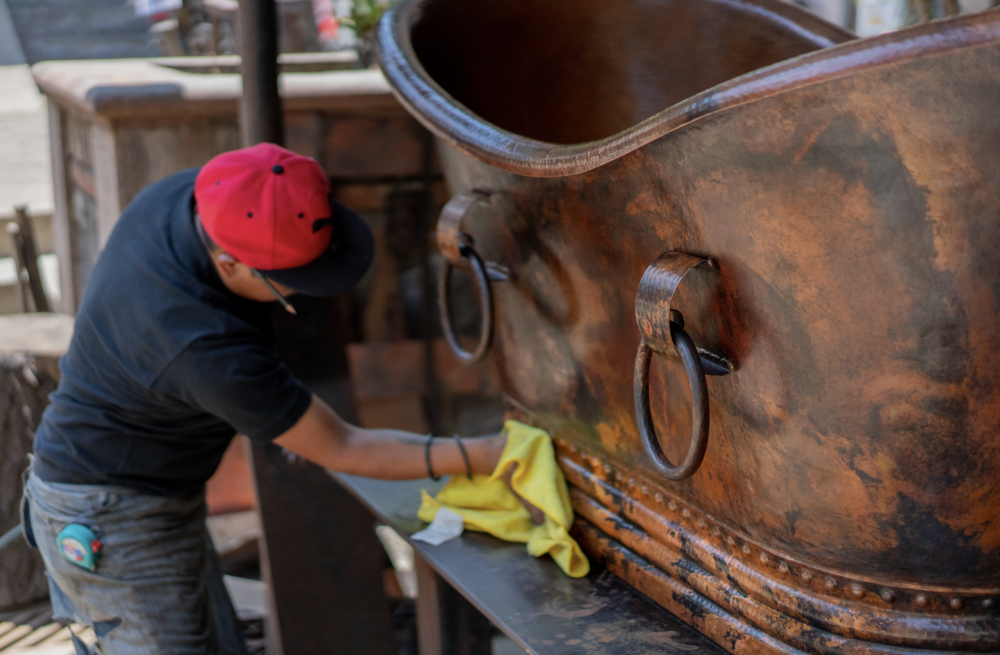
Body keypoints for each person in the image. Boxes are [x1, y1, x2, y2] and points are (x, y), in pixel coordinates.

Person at [21, 143, 507, 654]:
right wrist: (487, 454)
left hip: (151, 488)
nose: (298, 295)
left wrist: (282, 415)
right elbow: (346, 448)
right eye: (287, 286)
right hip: (110, 516)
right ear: (229, 264)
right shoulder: (202, 345)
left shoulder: (185, 198)